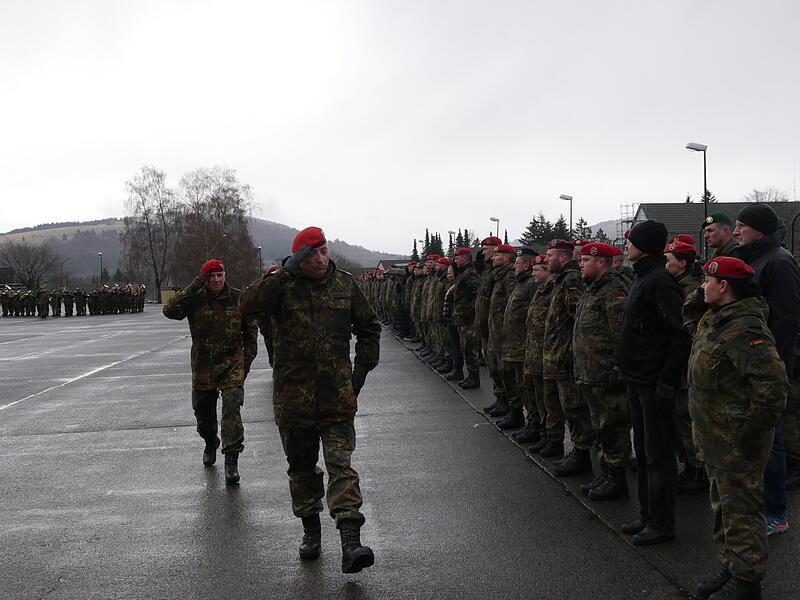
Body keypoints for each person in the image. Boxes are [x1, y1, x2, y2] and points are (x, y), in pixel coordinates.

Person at [240, 227, 381, 574]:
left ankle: (350, 541)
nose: (320, 259)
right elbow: (247, 306)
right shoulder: (280, 285)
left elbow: (369, 327)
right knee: (302, 468)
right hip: (293, 399)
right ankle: (311, 530)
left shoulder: (344, 284)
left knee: (341, 465)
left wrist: (360, 372)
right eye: (312, 253)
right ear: (299, 258)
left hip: (337, 396)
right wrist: (282, 273)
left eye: (324, 251)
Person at [689, 256, 788, 600]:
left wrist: (751, 432)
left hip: (736, 439)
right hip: (717, 436)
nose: (702, 286)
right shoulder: (717, 319)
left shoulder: (745, 329)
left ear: (724, 286)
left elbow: (773, 389)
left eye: (707, 281)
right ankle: (732, 565)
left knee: (742, 511)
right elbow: (689, 314)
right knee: (724, 508)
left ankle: (748, 581)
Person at [615, 220, 691, 546]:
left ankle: (662, 524)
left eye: (631, 242)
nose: (626, 246)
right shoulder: (644, 278)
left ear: (643, 247)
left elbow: (680, 334)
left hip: (653, 383)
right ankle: (648, 516)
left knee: (659, 457)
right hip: (637, 379)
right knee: (645, 453)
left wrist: (667, 381)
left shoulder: (660, 282)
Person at [733, 203, 800, 536]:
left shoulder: (779, 262)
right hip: (746, 361)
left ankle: (775, 513)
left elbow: (786, 319)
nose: (735, 232)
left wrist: (771, 364)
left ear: (758, 229)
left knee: (769, 438)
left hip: (764, 364)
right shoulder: (752, 258)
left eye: (741, 226)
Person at [163, 259, 257, 485]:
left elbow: (250, 335)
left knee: (232, 409)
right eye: (211, 276)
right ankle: (210, 441)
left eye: (219, 275)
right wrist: (193, 286)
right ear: (204, 279)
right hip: (203, 367)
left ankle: (231, 460)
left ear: (225, 275)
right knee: (203, 415)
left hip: (232, 366)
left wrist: (244, 364)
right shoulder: (194, 298)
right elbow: (169, 311)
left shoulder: (238, 298)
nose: (216, 279)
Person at [573, 242, 630, 500]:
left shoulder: (613, 289)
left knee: (612, 426)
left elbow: (622, 333)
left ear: (601, 263)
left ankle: (617, 478)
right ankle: (606, 472)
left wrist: (618, 368)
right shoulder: (593, 288)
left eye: (585, 260)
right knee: (600, 426)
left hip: (606, 373)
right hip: (591, 372)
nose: (580, 264)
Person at [542, 239, 591, 473]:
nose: (546, 258)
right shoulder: (562, 279)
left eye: (549, 255)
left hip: (567, 356)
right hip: (559, 354)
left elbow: (577, 319)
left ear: (562, 257)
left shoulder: (571, 280)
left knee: (574, 408)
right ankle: (576, 451)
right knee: (565, 405)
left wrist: (570, 352)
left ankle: (582, 455)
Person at [664, 239, 708, 495]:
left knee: (685, 416)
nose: (665, 265)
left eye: (668, 260)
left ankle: (697, 469)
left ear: (682, 263)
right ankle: (688, 464)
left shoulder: (691, 288)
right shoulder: (676, 284)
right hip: (678, 360)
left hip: (687, 360)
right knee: (678, 416)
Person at [498, 247, 537, 431]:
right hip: (511, 341)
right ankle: (516, 414)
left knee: (525, 386)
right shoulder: (520, 282)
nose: (514, 266)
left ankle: (533, 422)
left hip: (522, 343)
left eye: (518, 263)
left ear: (527, 265)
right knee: (512, 380)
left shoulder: (531, 284)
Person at [525, 255, 556, 453]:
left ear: (547, 270)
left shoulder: (553, 292)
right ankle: (543, 433)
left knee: (549, 401)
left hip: (547, 354)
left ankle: (552, 438)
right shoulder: (539, 291)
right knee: (538, 396)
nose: (533, 274)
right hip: (534, 352)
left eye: (537, 270)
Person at [485, 244, 517, 418]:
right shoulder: (499, 276)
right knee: (495, 368)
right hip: (495, 330)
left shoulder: (509, 277)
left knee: (506, 372)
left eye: (496, 255)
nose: (492, 258)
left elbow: (511, 306)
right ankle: (501, 399)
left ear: (506, 258)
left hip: (503, 332)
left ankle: (512, 407)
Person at [451, 248, 481, 388]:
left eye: (457, 258)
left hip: (468, 318)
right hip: (462, 318)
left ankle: (474, 377)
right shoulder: (462, 273)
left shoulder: (469, 274)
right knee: (465, 348)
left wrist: (470, 310)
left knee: (470, 349)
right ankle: (470, 376)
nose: (455, 261)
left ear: (464, 258)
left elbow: (478, 293)